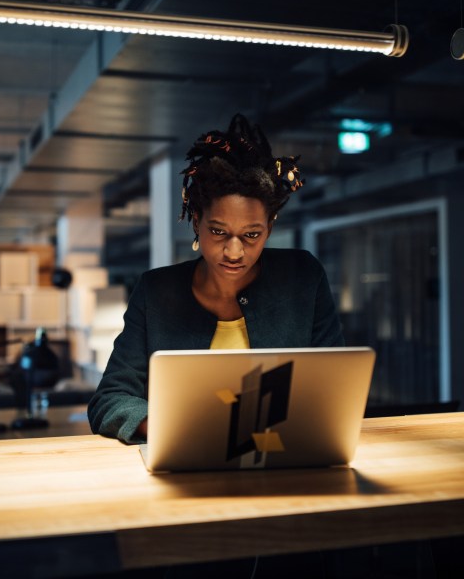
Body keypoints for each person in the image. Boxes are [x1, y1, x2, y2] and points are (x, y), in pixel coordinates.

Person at [88, 113, 344, 444]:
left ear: (270, 227)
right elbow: (110, 398)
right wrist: (172, 429)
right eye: (218, 231)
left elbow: (336, 384)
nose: (234, 252)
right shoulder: (156, 292)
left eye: (251, 234)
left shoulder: (303, 277)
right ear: (196, 221)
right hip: (183, 452)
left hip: (286, 454)